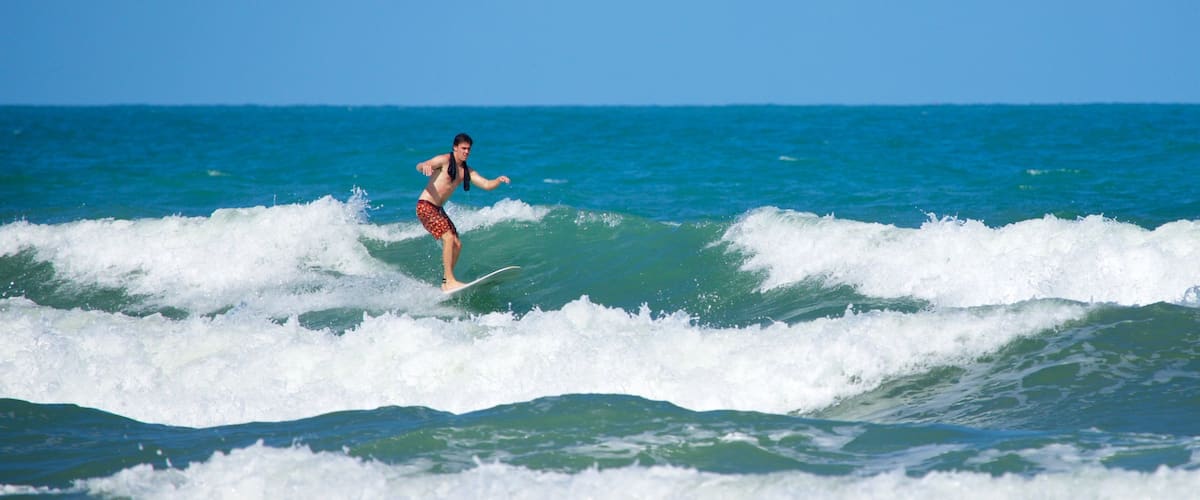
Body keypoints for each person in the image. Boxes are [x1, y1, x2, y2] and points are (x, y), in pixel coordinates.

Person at [415, 133, 511, 291]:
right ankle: (450, 280)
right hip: (425, 205)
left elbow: (486, 184)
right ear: (455, 148)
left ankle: (446, 281)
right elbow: (420, 165)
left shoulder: (466, 171)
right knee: (448, 238)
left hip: (437, 209)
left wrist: (498, 180)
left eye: (468, 149)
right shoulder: (444, 160)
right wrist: (423, 166)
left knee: (457, 244)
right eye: (463, 148)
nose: (466, 152)